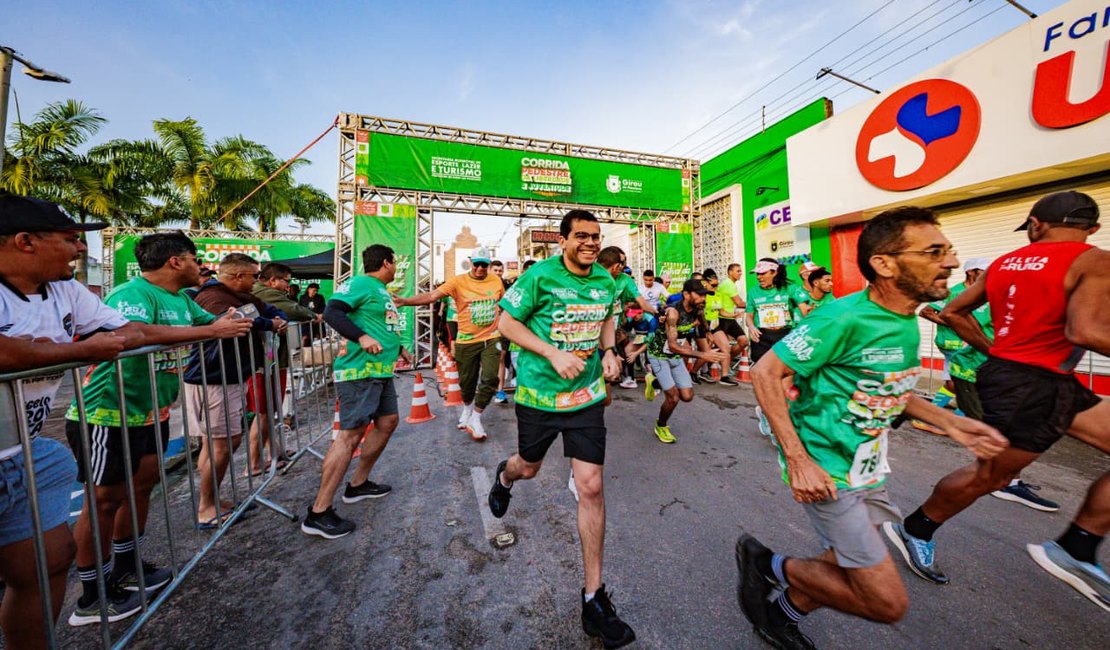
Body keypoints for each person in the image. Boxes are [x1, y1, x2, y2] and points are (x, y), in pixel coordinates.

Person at [739, 206, 1008, 649]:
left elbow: (893, 390)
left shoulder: (906, 321)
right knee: (887, 602)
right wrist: (798, 459)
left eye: (950, 250)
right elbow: (767, 373)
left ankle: (778, 613)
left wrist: (952, 422)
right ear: (884, 264)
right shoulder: (840, 319)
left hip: (868, 469)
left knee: (845, 562)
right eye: (934, 252)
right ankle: (768, 564)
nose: (952, 263)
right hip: (828, 473)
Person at [888, 191, 1109, 611]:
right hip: (1032, 386)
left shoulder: (1006, 263)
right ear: (1092, 229)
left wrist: (995, 350)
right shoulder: (1095, 260)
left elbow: (952, 312)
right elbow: (1085, 331)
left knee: (990, 475)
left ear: (1036, 225)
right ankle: (917, 528)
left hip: (1038, 381)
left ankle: (1079, 546)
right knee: (988, 477)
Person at [63, 233, 253, 626]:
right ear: (174, 262)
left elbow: (216, 322)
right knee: (102, 501)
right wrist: (212, 331)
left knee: (141, 489)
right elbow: (135, 333)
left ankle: (126, 567)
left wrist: (238, 315)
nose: (200, 265)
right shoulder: (132, 293)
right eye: (194, 257)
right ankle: (91, 594)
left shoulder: (183, 299)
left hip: (153, 412)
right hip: (107, 414)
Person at [486, 209, 634, 649]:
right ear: (564, 240)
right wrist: (552, 353)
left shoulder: (606, 282)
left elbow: (608, 317)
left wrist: (609, 352)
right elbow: (506, 323)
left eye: (595, 237)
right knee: (528, 468)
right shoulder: (540, 277)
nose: (590, 243)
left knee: (590, 487)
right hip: (539, 398)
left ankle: (594, 599)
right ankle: (503, 475)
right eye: (582, 236)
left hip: (585, 398)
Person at [0, 194, 132, 644]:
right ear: (25, 241)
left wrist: (209, 332)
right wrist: (79, 350)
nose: (80, 249)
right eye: (70, 239)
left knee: (48, 560)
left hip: (22, 451)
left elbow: (125, 332)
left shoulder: (64, 289)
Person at [303, 244, 413, 538]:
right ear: (387, 262)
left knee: (388, 423)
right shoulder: (360, 283)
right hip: (359, 372)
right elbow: (332, 313)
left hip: (380, 371)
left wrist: (398, 345)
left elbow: (381, 323)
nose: (396, 267)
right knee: (350, 436)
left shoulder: (379, 291)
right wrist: (361, 336)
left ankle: (358, 484)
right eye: (395, 262)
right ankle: (318, 512)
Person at [395, 247, 504, 441]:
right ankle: (468, 408)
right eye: (477, 264)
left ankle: (477, 416)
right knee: (467, 383)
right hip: (466, 341)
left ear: (489, 265)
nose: (480, 268)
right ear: (471, 263)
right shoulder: (458, 281)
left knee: (490, 378)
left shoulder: (496, 280)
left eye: (484, 265)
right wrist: (405, 301)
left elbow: (504, 304)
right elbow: (431, 296)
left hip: (491, 338)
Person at [250, 262, 322, 474]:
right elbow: (293, 310)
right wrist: (312, 316)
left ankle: (275, 452)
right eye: (286, 281)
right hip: (264, 363)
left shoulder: (264, 294)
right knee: (263, 412)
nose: (287, 286)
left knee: (270, 410)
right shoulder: (262, 293)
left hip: (272, 360)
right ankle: (253, 463)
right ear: (273, 280)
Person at [645, 279, 726, 443]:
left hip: (675, 356)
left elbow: (703, 324)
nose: (703, 299)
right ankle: (661, 426)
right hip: (659, 355)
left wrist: (708, 333)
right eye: (700, 295)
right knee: (673, 397)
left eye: (705, 295)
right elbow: (673, 346)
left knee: (687, 396)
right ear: (686, 294)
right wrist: (703, 355)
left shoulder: (698, 310)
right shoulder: (673, 313)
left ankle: (654, 382)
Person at [746, 258, 803, 436]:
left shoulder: (790, 290)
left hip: (785, 337)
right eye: (757, 274)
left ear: (774, 272)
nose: (759, 277)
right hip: (762, 338)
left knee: (785, 387)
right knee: (766, 383)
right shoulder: (754, 292)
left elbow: (804, 309)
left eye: (763, 273)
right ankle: (766, 414)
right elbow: (749, 316)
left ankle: (780, 424)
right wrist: (751, 327)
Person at [701, 269, 741, 386]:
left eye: (717, 285)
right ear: (705, 283)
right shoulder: (702, 296)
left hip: (715, 325)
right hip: (704, 325)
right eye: (713, 285)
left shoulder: (717, 294)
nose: (715, 287)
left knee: (726, 346)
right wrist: (705, 329)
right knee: (705, 351)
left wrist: (733, 315)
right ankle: (696, 372)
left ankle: (724, 376)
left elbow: (721, 311)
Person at [619, 307, 656, 389]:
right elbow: (626, 331)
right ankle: (631, 378)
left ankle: (655, 382)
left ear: (641, 313)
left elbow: (650, 341)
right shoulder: (631, 318)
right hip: (640, 339)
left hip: (652, 341)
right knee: (628, 349)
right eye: (632, 316)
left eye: (635, 316)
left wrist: (636, 353)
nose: (633, 317)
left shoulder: (651, 320)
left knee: (648, 363)